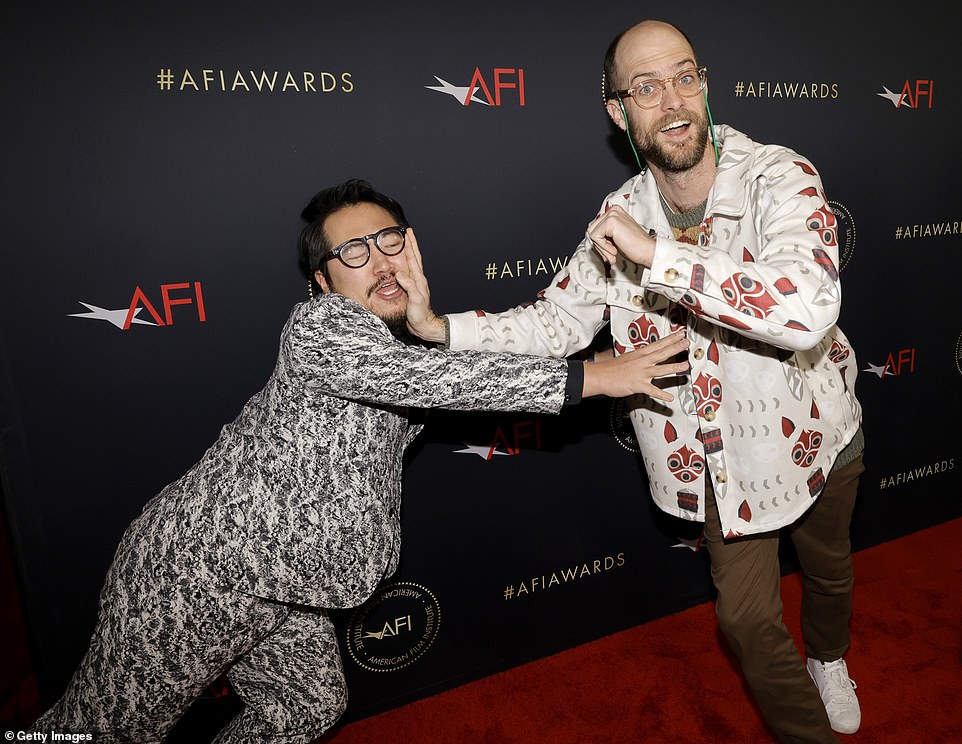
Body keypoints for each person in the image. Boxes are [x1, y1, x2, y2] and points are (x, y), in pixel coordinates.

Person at [30, 179, 689, 743]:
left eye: (390, 241)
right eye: (353, 252)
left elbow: (454, 366)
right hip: (196, 573)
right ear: (322, 281)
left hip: (288, 584)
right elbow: (438, 383)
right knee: (104, 728)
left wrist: (446, 327)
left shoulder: (398, 351)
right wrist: (594, 379)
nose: (379, 262)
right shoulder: (321, 329)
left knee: (305, 704)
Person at [404, 20, 865, 744]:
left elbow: (807, 308)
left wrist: (657, 258)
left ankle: (831, 659)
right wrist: (441, 329)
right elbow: (553, 323)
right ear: (620, 114)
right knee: (746, 619)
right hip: (724, 459)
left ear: (706, 84)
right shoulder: (619, 221)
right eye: (646, 88)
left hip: (817, 427)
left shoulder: (779, 174)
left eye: (685, 76)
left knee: (829, 571)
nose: (673, 99)